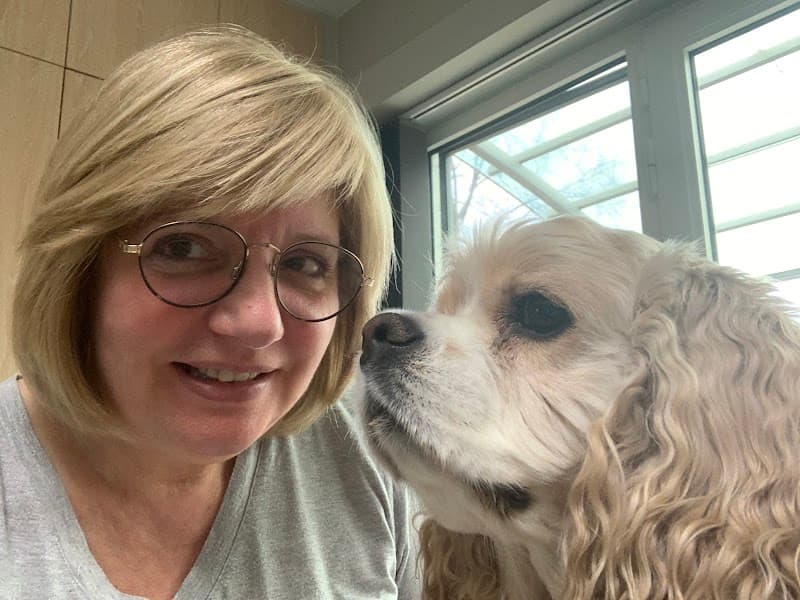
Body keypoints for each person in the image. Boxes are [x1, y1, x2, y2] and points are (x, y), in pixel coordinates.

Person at [0, 25, 419, 600]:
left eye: (306, 264)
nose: (259, 324)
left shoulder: (363, 449)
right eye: (184, 248)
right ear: (80, 269)